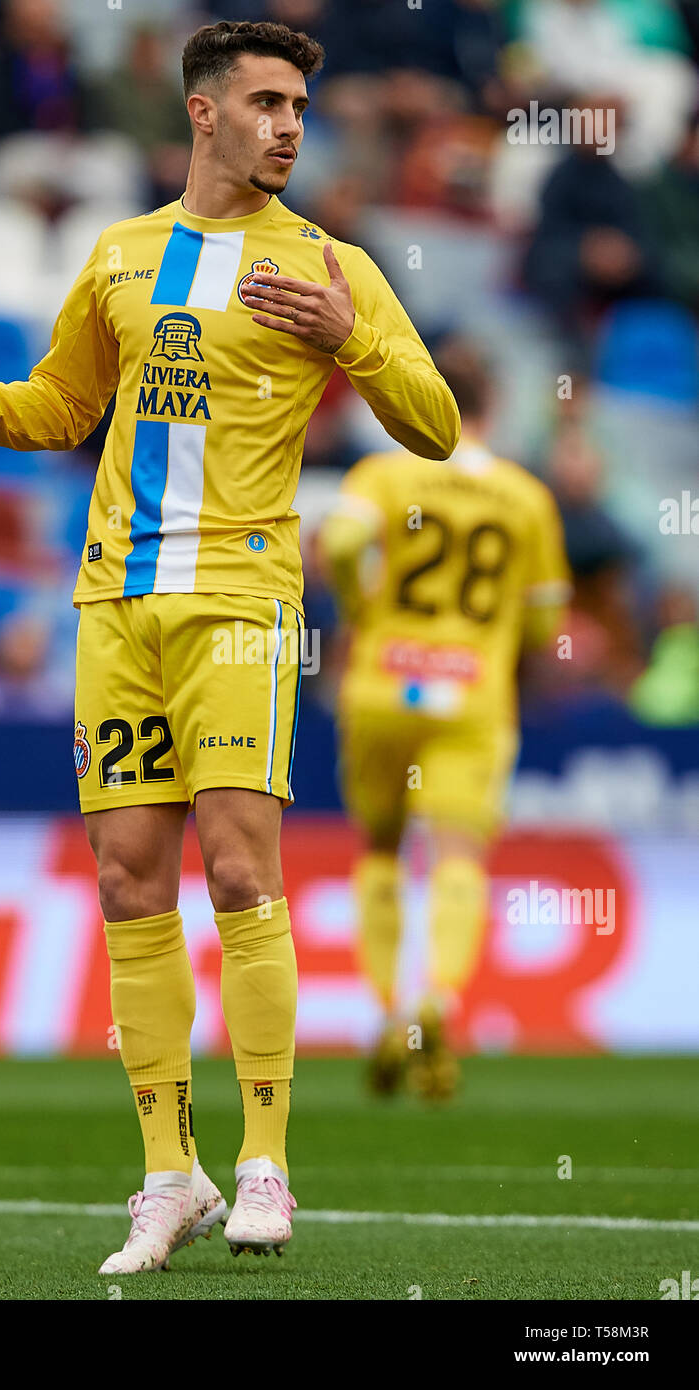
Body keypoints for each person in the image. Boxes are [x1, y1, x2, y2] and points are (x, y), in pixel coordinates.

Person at [0, 19, 459, 1274]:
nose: (288, 124)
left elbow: (434, 425)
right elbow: (65, 404)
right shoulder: (121, 257)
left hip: (239, 597)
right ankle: (170, 1177)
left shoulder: (331, 264)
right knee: (125, 879)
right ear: (204, 112)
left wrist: (352, 338)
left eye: (299, 105)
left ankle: (268, 1159)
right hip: (115, 603)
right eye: (266, 102)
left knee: (237, 869)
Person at [319, 339, 569, 1099]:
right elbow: (544, 624)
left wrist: (364, 612)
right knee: (458, 854)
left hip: (381, 687)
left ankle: (391, 1007)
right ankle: (440, 1000)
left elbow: (341, 540)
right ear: (492, 403)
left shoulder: (387, 472)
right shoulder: (526, 498)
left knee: (383, 847)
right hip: (473, 696)